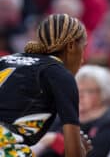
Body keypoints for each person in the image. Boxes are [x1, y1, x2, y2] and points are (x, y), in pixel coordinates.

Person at [0, 13, 91, 157]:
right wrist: (82, 150)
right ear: (72, 46)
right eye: (83, 48)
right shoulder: (61, 74)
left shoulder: (5, 60)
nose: (82, 60)